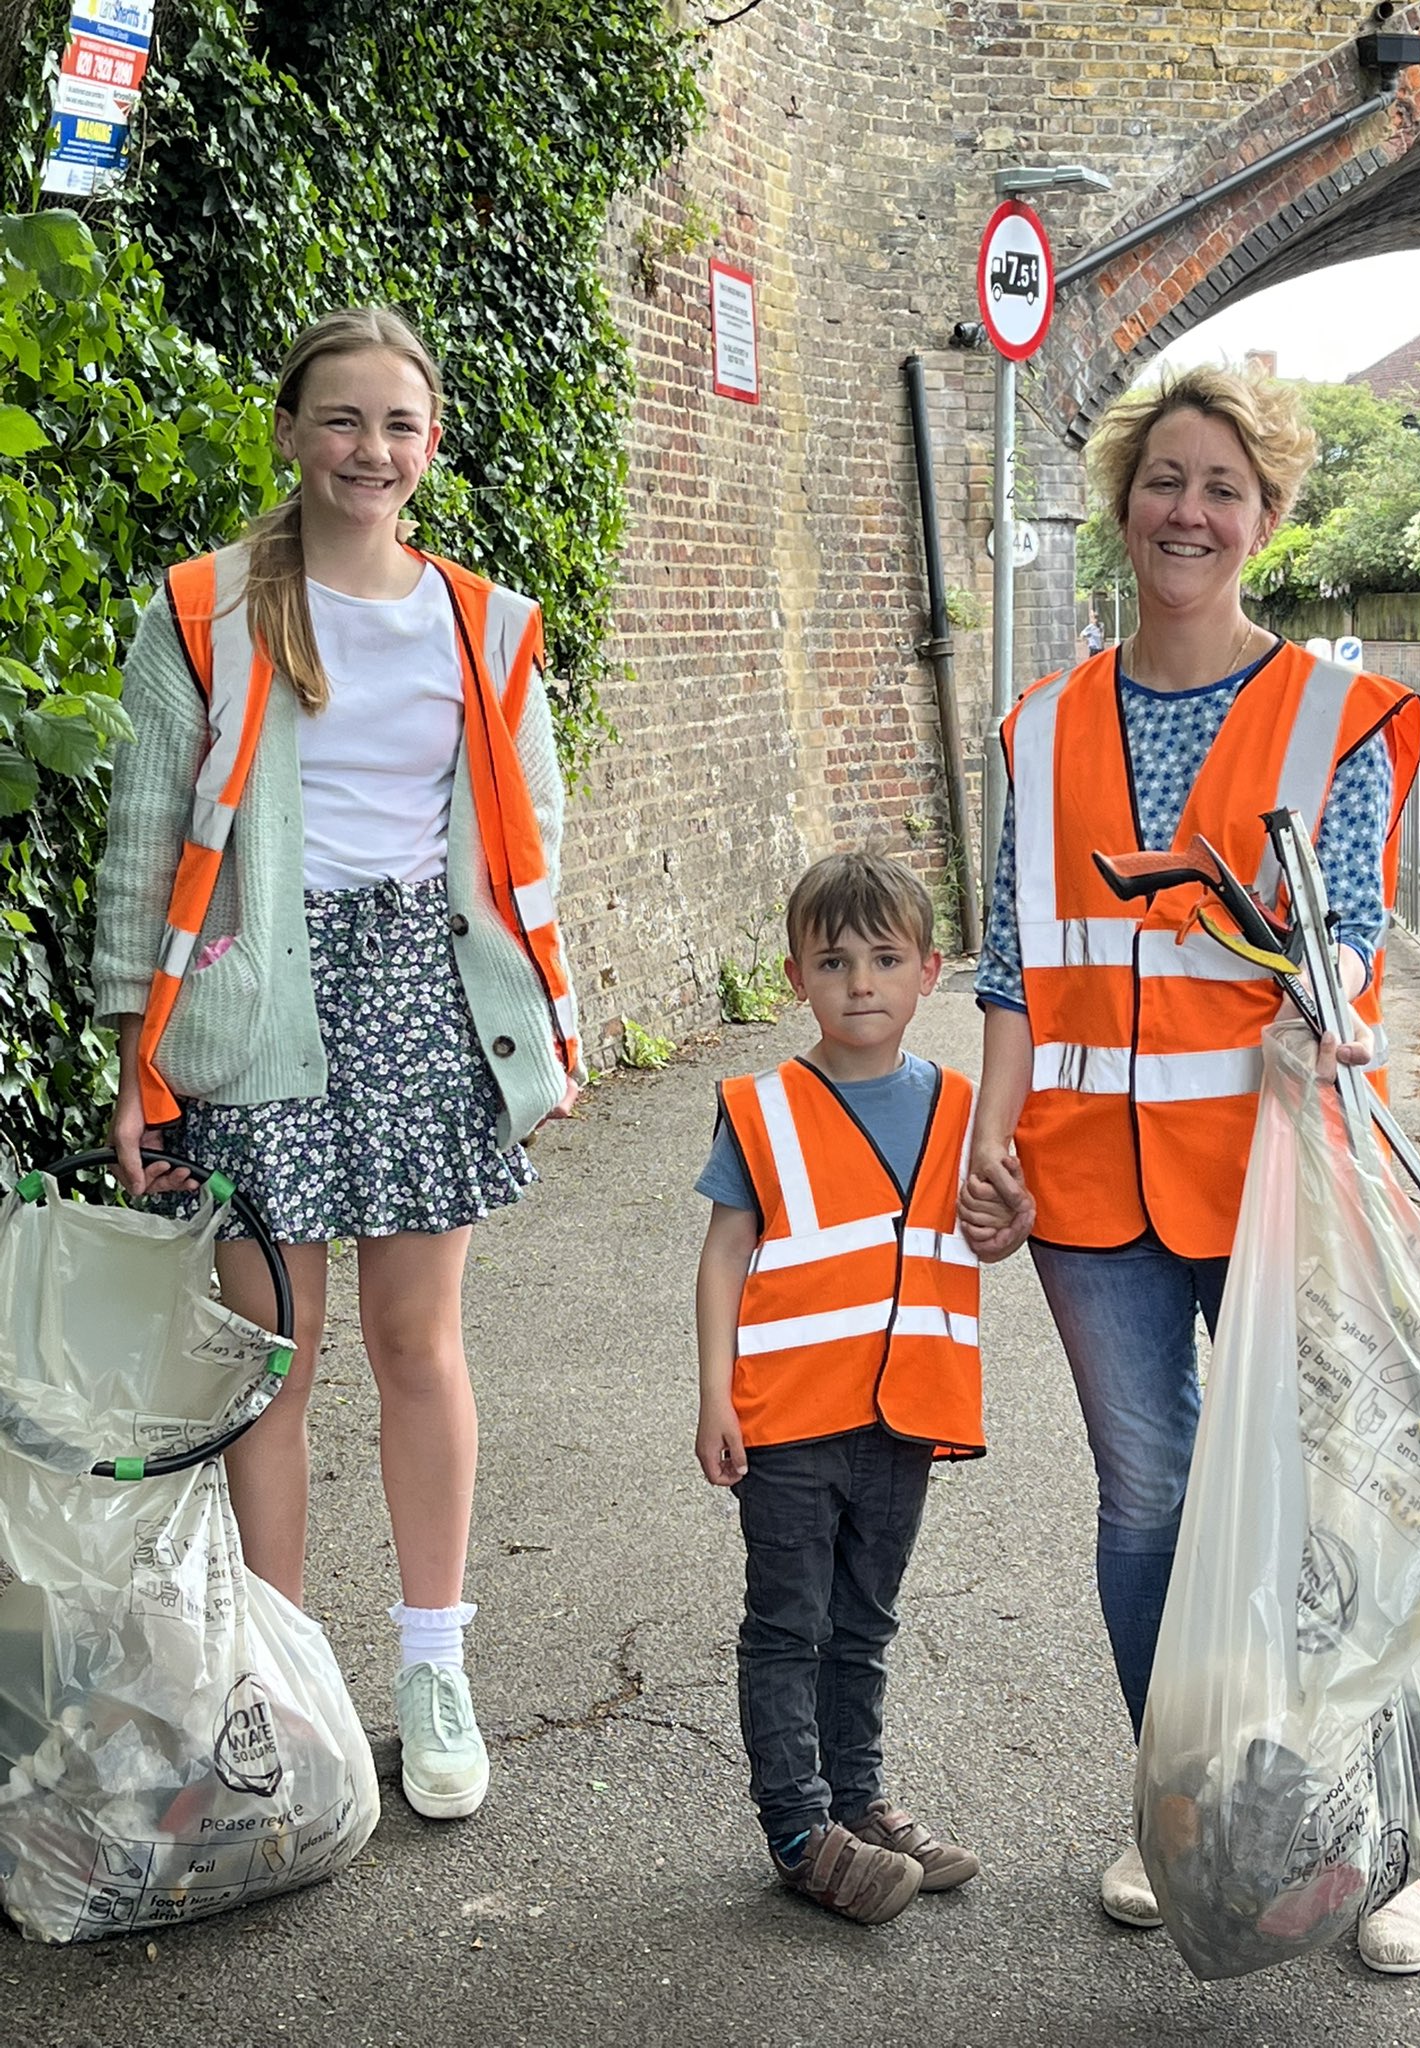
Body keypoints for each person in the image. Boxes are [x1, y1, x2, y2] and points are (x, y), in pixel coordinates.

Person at [959, 365, 1420, 1972]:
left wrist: (1335, 1019)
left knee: (1316, 1509)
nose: (1189, 509)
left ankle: (1362, 1836)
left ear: (1267, 516)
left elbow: (1352, 940)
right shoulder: (1037, 729)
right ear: (1123, 501)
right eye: (1164, 478)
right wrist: (988, 1144)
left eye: (1223, 486)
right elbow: (1018, 966)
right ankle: (1192, 1814)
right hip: (1091, 1186)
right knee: (1150, 1503)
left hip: (1279, 1179)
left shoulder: (1334, 715)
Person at [92, 306, 582, 1824]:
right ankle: (283, 1681)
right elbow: (139, 847)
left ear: (431, 449)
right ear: (292, 432)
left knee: (418, 1343)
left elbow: (534, 838)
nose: (372, 451)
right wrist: (139, 1063)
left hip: (430, 1006)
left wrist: (535, 1019)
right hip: (259, 1010)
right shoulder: (202, 611)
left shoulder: (487, 625)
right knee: (278, 1369)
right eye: (344, 420)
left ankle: (433, 1664)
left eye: (401, 426)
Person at [693, 851, 1031, 1925]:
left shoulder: (966, 1105)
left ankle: (859, 1801)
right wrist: (714, 1395)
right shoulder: (764, 1107)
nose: (861, 982)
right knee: (788, 1623)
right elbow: (723, 1254)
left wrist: (1007, 1225)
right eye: (833, 961)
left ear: (930, 969)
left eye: (886, 958)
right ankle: (799, 1829)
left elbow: (992, 1232)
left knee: (865, 1623)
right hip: (788, 1420)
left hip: (904, 1420)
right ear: (796, 975)